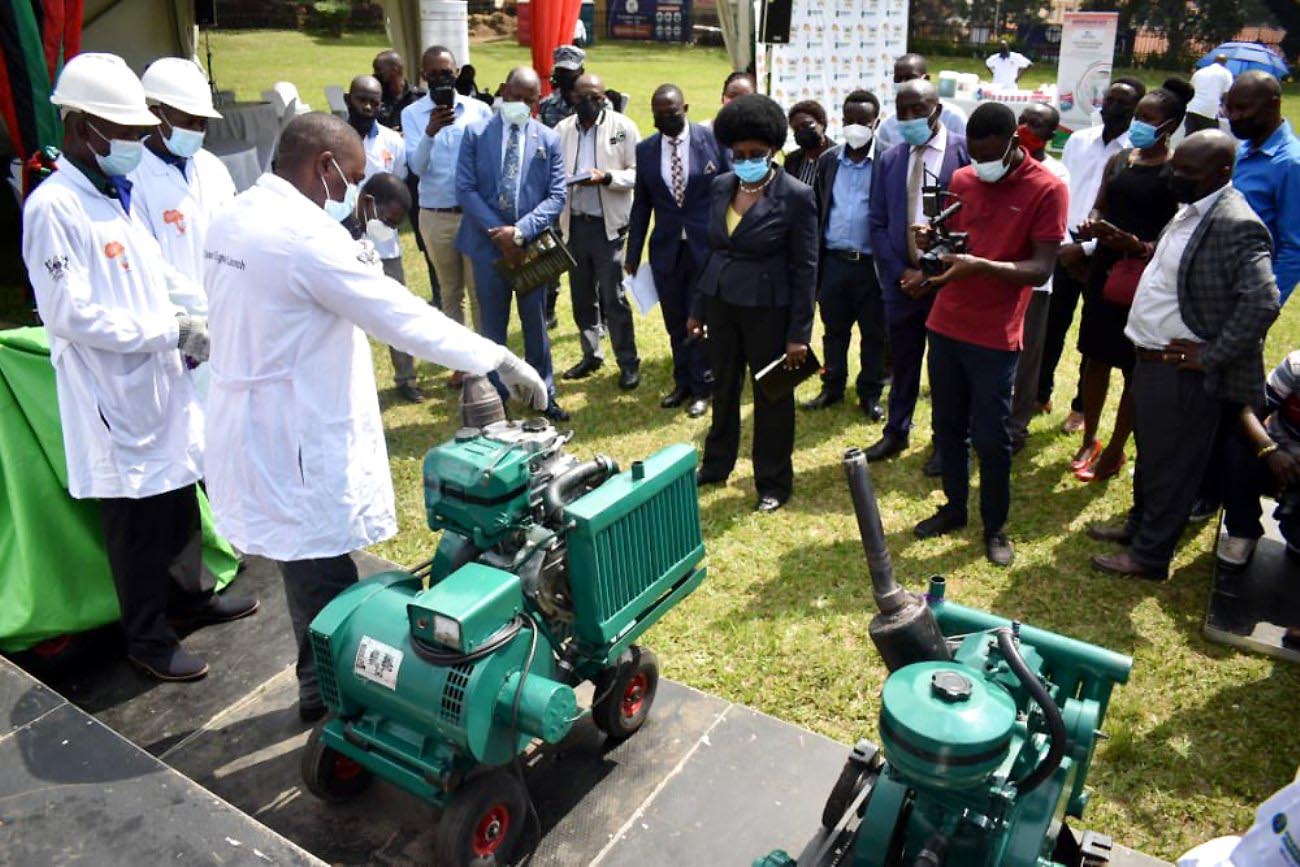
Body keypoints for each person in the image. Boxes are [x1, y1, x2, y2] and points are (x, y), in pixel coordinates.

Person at [202, 113, 547, 720]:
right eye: (353, 177)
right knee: (323, 574)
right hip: (297, 430)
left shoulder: (238, 213)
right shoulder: (303, 238)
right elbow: (400, 316)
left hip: (262, 420)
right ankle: (335, 697)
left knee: (304, 559)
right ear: (324, 167)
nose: (356, 192)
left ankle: (323, 680)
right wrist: (496, 356)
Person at [23, 53, 256, 683]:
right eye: (123, 132)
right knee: (135, 521)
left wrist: (205, 313)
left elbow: (157, 274)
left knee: (177, 493)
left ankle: (191, 597)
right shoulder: (54, 208)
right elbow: (70, 314)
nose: (134, 142)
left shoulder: (112, 197)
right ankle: (148, 638)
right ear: (81, 127)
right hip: (111, 394)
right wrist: (168, 331)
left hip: (158, 380)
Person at [1089, 131, 1280, 582]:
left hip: (1180, 370)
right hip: (1149, 358)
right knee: (1153, 453)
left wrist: (1213, 354)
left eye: (1187, 172)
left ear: (1222, 173)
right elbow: (1180, 264)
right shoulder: (1193, 209)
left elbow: (1262, 300)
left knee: (1172, 465)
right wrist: (1139, 248)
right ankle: (1138, 528)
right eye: (1177, 166)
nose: (1176, 176)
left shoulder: (1236, 222)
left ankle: (1151, 557)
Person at [910, 101, 1068, 566]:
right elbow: (951, 246)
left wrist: (982, 266)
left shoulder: (1048, 189)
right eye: (975, 157)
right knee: (947, 426)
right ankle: (955, 508)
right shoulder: (963, 180)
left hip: (996, 335)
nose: (982, 167)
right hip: (945, 324)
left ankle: (994, 526)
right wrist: (929, 242)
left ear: (1016, 142)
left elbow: (1040, 269)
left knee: (991, 437)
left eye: (990, 156)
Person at [690, 94, 817, 514]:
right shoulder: (721, 185)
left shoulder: (796, 195)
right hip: (724, 303)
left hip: (770, 310)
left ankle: (774, 482)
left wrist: (799, 333)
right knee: (723, 388)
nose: (745, 160)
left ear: (773, 150)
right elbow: (711, 250)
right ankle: (716, 464)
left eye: (755, 154)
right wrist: (698, 308)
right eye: (738, 153)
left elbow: (806, 267)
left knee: (773, 396)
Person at [1072, 80, 1190, 483]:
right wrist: (1093, 225)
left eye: (1147, 119)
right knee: (1095, 357)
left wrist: (1138, 245)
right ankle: (1090, 437)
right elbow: (1102, 203)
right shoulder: (1121, 159)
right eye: (1137, 116)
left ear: (1169, 126)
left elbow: (1180, 232)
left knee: (1133, 367)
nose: (1138, 124)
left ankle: (1118, 448)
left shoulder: (1178, 172)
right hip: (1105, 271)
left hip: (1148, 277)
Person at [864, 78, 970, 468]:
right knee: (903, 362)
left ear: (937, 110)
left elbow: (970, 224)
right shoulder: (891, 158)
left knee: (946, 370)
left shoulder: (964, 155)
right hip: (901, 285)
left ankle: (946, 441)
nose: (909, 118)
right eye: (902, 110)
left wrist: (932, 273)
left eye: (917, 110)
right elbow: (876, 222)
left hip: (946, 284)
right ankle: (896, 432)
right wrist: (900, 272)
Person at [455, 67, 570, 420]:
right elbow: (465, 188)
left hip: (530, 247)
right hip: (487, 247)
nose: (521, 104)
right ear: (503, 91)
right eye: (515, 97)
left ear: (538, 101)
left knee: (535, 324)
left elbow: (556, 195)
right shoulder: (476, 133)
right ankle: (496, 395)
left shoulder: (547, 139)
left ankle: (542, 393)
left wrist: (518, 233)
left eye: (529, 100)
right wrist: (500, 235)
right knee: (492, 328)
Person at [1038, 78, 1144, 434]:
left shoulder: (1134, 153)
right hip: (1063, 248)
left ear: (1137, 109)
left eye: (1123, 103)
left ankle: (1081, 408)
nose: (1113, 108)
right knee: (1050, 326)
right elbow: (1063, 192)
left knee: (1092, 337)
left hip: (1103, 255)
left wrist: (1087, 248)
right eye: (1110, 100)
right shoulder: (1080, 141)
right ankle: (1040, 393)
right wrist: (1063, 244)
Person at [132, 56, 236, 411]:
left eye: (202, 122)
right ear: (157, 113)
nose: (197, 128)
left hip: (226, 318)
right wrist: (202, 307)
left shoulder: (213, 169)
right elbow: (146, 262)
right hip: (176, 325)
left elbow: (236, 237)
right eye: (188, 120)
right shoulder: (133, 178)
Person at [626, 84, 729, 419]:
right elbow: (641, 204)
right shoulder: (646, 150)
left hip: (706, 247)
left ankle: (704, 387)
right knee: (674, 319)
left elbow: (731, 189)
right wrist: (632, 253)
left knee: (698, 319)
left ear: (684, 107)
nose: (664, 119)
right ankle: (682, 381)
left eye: (670, 113)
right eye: (658, 114)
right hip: (667, 249)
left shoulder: (711, 140)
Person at [402, 46, 493, 390]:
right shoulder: (413, 115)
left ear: (458, 73)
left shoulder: (479, 111)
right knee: (450, 292)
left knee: (479, 289)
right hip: (436, 215)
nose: (441, 78)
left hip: (473, 216)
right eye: (433, 73)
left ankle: (482, 361)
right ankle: (459, 361)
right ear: (423, 76)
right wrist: (430, 132)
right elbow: (416, 167)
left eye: (447, 72)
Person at [554, 73, 641, 390]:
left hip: (608, 228)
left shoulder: (622, 128)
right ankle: (591, 354)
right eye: (581, 97)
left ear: (604, 98)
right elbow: (550, 170)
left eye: (594, 97)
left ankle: (628, 362)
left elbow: (637, 172)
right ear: (572, 98)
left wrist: (606, 177)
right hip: (574, 224)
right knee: (581, 297)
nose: (587, 103)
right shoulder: (562, 130)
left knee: (613, 297)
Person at [803, 90, 886, 420]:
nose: (855, 127)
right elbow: (819, 208)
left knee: (874, 335)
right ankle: (832, 387)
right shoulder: (828, 161)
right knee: (833, 331)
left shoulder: (889, 161)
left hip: (872, 267)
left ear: (875, 123)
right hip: (835, 262)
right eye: (848, 121)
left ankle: (870, 394)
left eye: (862, 122)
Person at [343, 74, 424, 403]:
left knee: (395, 311)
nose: (367, 106)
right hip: (342, 241)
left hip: (385, 245)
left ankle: (406, 376)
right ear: (349, 98)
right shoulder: (335, 140)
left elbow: (399, 188)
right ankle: (348, 386)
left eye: (375, 102)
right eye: (362, 99)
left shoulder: (393, 142)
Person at [1007, 102, 1070, 454]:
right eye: (1024, 120)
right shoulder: (998, 166)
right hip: (994, 276)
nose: (1028, 127)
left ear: (1051, 134)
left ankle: (1016, 426)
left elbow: (1048, 233)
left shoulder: (1056, 175)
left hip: (1033, 280)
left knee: (1027, 355)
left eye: (1037, 124)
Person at [1219, 351, 1300, 569]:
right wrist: (1270, 450)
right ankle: (1243, 531)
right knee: (1238, 441)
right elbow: (1249, 413)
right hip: (1277, 456)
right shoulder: (1296, 366)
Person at [1225, 71, 1300, 305]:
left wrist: (1260, 307)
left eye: (1243, 108)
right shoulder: (1243, 150)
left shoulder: (1290, 164)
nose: (1234, 117)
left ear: (1273, 104)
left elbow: (1295, 248)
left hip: (1247, 293)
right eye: (1230, 108)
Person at [372, 49, 438, 311]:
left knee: (426, 242)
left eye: (381, 71)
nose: (376, 76)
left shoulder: (419, 99)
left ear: (397, 71)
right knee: (382, 236)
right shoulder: (379, 101)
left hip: (416, 181)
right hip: (388, 181)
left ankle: (440, 293)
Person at [538, 45, 584, 331]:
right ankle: (549, 309)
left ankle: (598, 316)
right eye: (562, 73)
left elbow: (615, 140)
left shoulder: (599, 101)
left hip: (589, 192)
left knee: (589, 258)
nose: (567, 78)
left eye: (572, 73)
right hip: (555, 191)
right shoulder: (547, 106)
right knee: (551, 252)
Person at [875, 53, 968, 150]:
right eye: (898, 79)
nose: (903, 83)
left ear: (926, 79)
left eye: (909, 78)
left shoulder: (954, 118)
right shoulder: (887, 126)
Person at [782, 100, 833, 186]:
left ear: (821, 123)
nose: (801, 131)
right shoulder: (791, 161)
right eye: (796, 129)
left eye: (806, 125)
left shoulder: (838, 158)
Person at [372, 50, 423, 132]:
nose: (374, 74)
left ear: (395, 70)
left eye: (378, 70)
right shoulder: (374, 98)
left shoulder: (420, 98)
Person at [1186, 53, 1234, 135]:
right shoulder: (1226, 74)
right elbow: (1227, 93)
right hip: (1209, 109)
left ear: (1214, 61)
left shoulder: (1200, 71)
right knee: (1211, 137)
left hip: (1192, 107)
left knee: (1190, 135)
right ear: (1225, 63)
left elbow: (1190, 87)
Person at [539, 45, 585, 129]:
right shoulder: (545, 105)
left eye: (570, 71)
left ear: (581, 72)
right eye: (561, 71)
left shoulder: (596, 103)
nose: (565, 76)